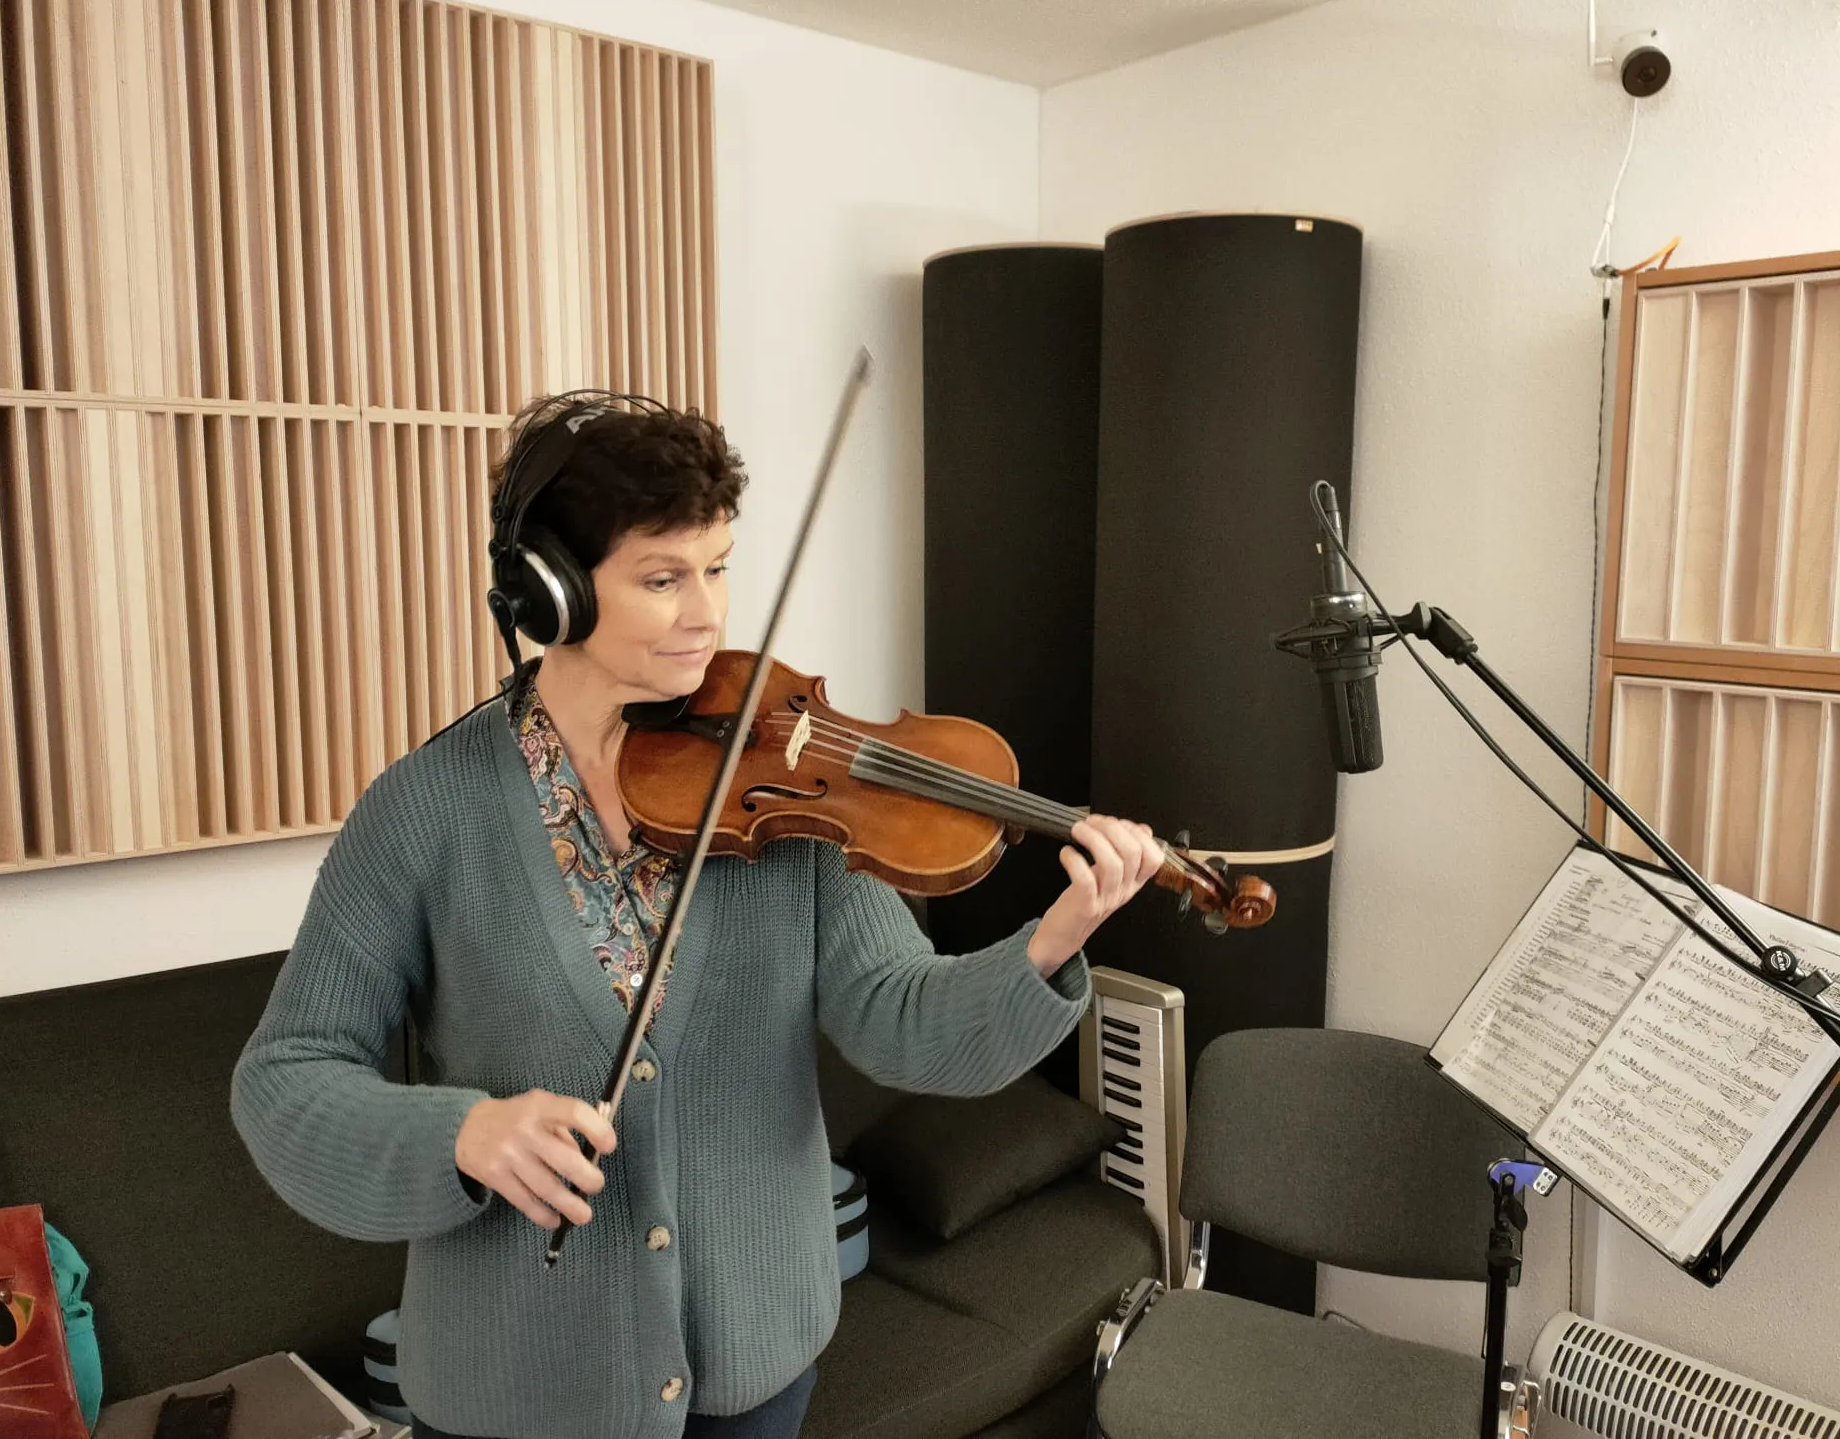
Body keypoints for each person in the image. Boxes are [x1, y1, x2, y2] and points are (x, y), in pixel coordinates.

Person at [231, 392, 1164, 1439]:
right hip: (518, 1390)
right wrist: (464, 1134)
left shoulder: (782, 776)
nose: (707, 615)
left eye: (717, 568)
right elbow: (286, 1078)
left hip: (754, 1369)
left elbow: (901, 1019)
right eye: (662, 578)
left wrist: (1054, 938)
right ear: (552, 590)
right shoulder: (422, 811)